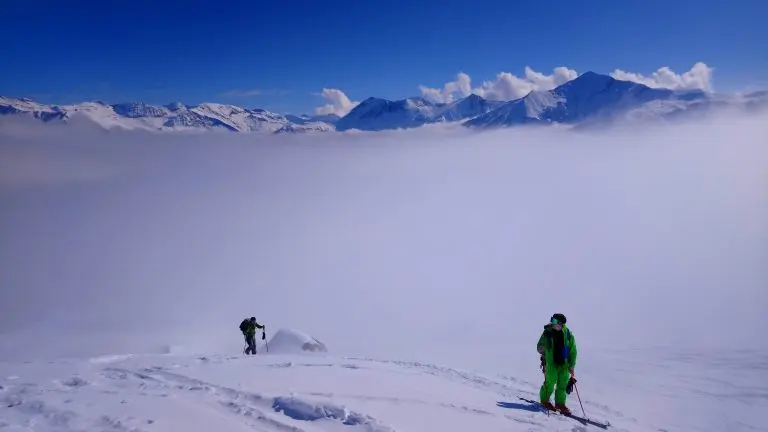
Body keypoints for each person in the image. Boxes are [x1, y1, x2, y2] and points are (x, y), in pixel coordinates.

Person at [536, 313, 577, 415]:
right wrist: (544, 351)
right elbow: (539, 346)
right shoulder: (547, 333)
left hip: (564, 364)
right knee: (549, 383)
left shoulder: (568, 334)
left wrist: (572, 365)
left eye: (554, 321)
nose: (552, 323)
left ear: (560, 324)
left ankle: (560, 404)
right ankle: (544, 401)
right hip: (551, 363)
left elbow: (573, 351)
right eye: (552, 320)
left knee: (562, 385)